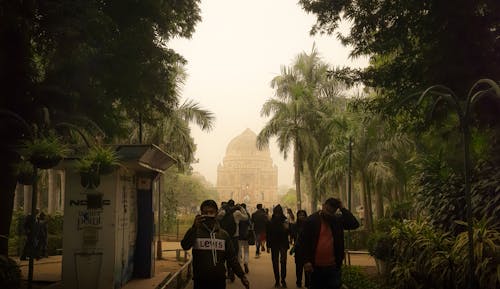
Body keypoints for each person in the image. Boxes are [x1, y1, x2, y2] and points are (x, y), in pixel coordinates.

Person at [181, 200, 250, 289]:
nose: (208, 215)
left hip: (219, 281)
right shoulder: (196, 232)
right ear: (201, 214)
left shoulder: (223, 235)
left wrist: (242, 276)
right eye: (205, 212)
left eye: (211, 212)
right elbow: (185, 245)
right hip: (200, 281)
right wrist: (193, 228)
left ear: (216, 214)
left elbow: (232, 258)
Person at [301, 198, 360, 289]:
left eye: (331, 212)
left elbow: (354, 224)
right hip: (315, 267)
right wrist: (306, 261)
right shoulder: (311, 220)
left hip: (333, 267)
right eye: (327, 210)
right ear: (323, 206)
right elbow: (304, 242)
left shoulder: (337, 220)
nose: (328, 213)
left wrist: (342, 208)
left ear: (335, 211)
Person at [217, 200, 248, 282]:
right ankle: (232, 271)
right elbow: (246, 217)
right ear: (234, 205)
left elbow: (216, 216)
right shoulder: (237, 213)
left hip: (224, 236)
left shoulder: (223, 212)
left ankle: (228, 270)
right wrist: (241, 208)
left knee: (225, 254)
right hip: (234, 237)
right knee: (233, 255)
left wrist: (222, 207)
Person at [266, 205, 290, 288]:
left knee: (283, 262)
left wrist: (287, 228)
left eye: (278, 213)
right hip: (274, 244)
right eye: (276, 213)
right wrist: (268, 246)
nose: (277, 215)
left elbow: (289, 232)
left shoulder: (285, 221)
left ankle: (283, 280)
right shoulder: (270, 222)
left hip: (282, 243)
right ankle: (277, 280)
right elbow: (268, 234)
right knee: (275, 262)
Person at [290, 210, 309, 288]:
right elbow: (292, 235)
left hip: (307, 249)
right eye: (300, 215)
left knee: (307, 267)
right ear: (297, 216)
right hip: (298, 248)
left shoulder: (309, 225)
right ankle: (298, 282)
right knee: (299, 267)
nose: (301, 217)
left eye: (303, 215)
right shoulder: (294, 226)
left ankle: (307, 283)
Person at [237, 203, 251, 273]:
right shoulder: (247, 215)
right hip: (246, 235)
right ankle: (245, 263)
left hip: (238, 235)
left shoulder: (237, 215)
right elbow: (250, 224)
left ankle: (239, 266)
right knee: (246, 251)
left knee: (239, 251)